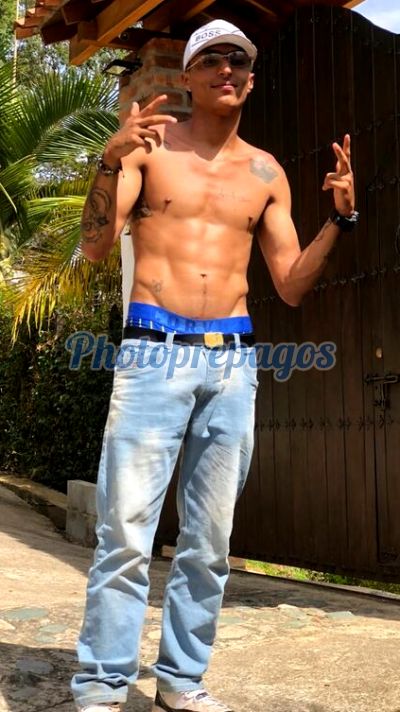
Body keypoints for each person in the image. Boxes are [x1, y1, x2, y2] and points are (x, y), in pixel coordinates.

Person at [71, 18, 356, 712]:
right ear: (190, 76)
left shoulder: (266, 173)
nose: (227, 69)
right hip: (152, 352)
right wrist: (108, 161)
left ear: (250, 80)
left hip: (231, 364)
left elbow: (290, 284)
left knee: (209, 543)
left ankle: (179, 681)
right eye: (212, 60)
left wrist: (340, 221)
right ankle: (103, 685)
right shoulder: (149, 149)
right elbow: (97, 247)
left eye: (239, 61)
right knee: (126, 533)